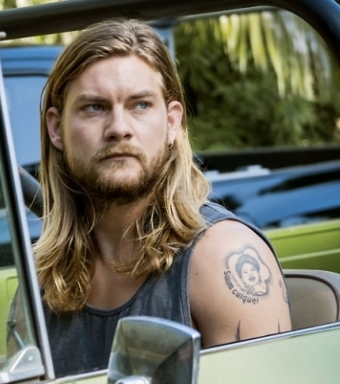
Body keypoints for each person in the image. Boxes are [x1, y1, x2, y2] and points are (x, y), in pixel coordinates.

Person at [28, 19, 291, 376]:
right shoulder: (41, 277)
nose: (119, 128)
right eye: (94, 107)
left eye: (140, 105)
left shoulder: (220, 257)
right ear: (56, 128)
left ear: (172, 122)